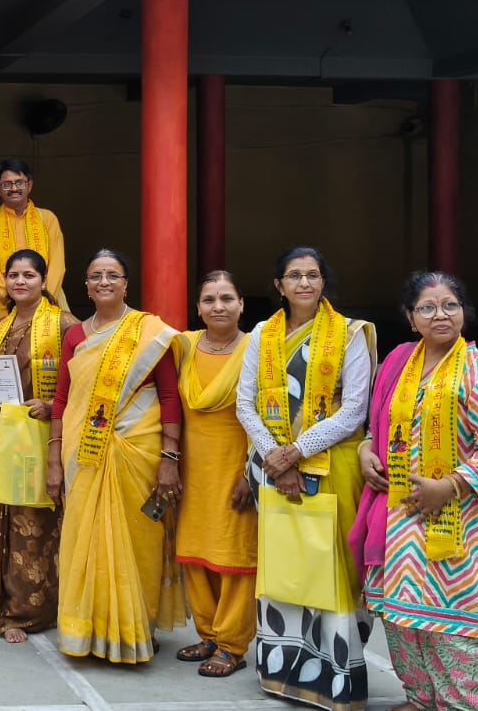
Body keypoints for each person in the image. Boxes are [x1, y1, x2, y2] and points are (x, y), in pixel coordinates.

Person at [354, 271, 478, 711]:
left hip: (462, 523)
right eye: (427, 308)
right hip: (401, 517)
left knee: (456, 623)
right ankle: (421, 697)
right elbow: (379, 425)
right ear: (411, 318)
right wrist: (366, 449)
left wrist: (450, 485)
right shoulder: (398, 364)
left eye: (450, 305)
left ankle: (461, 703)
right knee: (404, 617)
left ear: (464, 312)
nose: (440, 315)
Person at [235, 246, 375, 711]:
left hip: (333, 466)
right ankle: (283, 670)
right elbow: (245, 404)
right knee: (286, 566)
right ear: (279, 285)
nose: (304, 283)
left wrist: (297, 452)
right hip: (271, 469)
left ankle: (336, 677)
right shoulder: (262, 334)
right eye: (294, 276)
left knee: (330, 567)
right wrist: (276, 458)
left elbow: (354, 409)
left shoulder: (350, 333)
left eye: (313, 275)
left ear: (323, 282)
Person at [46, 249, 184, 663]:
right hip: (83, 452)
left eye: (112, 275)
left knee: (140, 541)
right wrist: (53, 456)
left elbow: (169, 395)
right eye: (95, 276)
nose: (103, 282)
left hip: (138, 451)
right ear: (86, 286)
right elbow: (62, 399)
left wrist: (170, 457)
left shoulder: (149, 332)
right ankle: (85, 630)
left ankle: (135, 627)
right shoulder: (75, 336)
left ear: (126, 284)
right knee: (83, 538)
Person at [0, 249, 78, 643]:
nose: (20, 282)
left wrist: (52, 405)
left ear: (44, 281)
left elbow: (84, 382)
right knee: (7, 514)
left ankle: (29, 611)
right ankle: (3, 601)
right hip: (5, 436)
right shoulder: (0, 326)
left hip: (43, 438)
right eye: (13, 275)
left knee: (37, 520)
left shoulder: (65, 324)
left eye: (29, 275)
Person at [171, 271, 257, 677]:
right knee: (195, 553)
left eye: (226, 298)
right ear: (198, 307)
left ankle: (232, 645)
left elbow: (270, 415)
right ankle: (207, 634)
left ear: (241, 304)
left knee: (234, 555)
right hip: (192, 467)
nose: (218, 306)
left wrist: (251, 473)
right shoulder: (184, 346)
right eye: (209, 299)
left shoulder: (257, 348)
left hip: (236, 465)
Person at [0, 159, 68, 322]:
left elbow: (57, 265)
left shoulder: (47, 218)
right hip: (4, 304)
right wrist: (13, 298)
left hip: (47, 301)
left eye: (19, 183)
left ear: (29, 185)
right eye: (7, 184)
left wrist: (43, 299)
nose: (14, 188)